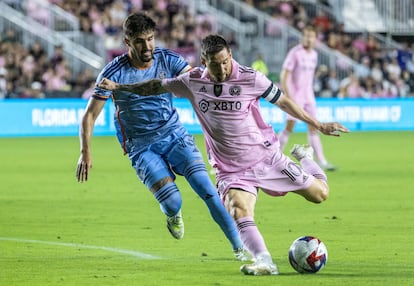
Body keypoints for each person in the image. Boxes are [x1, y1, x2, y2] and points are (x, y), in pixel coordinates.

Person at [97, 34, 349, 275]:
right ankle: (264, 261)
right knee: (239, 210)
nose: (223, 69)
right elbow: (154, 86)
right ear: (204, 62)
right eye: (216, 65)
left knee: (320, 195)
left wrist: (318, 124)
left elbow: (283, 101)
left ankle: (305, 157)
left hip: (265, 157)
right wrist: (119, 86)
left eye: (226, 61)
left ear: (231, 56)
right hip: (231, 169)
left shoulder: (251, 78)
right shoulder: (193, 81)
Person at [75, 13, 248, 261]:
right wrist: (85, 152)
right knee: (173, 201)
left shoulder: (167, 59)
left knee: (208, 189)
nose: (147, 46)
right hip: (141, 147)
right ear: (127, 42)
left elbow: (195, 80)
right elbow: (90, 115)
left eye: (150, 39)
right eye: (140, 41)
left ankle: (240, 248)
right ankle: (172, 214)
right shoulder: (113, 73)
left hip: (174, 135)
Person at [278, 25, 337, 171]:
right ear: (302, 37)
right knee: (289, 127)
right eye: (306, 36)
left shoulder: (314, 55)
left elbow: (308, 77)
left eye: (311, 36)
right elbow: (284, 75)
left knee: (314, 127)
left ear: (315, 39)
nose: (308, 39)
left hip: (309, 96)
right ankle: (274, 157)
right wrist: (288, 96)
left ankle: (322, 161)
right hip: (295, 96)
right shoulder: (294, 53)